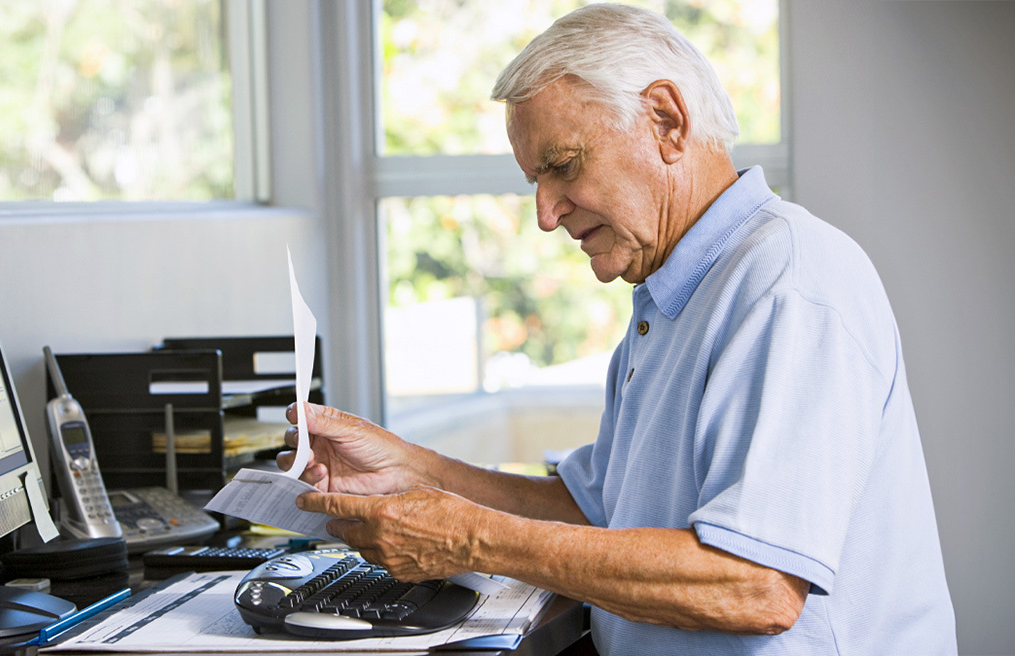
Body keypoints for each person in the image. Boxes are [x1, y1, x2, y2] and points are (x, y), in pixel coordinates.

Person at [282, 4, 957, 654]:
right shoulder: (669, 298)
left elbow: (756, 586)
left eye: (563, 167)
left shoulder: (790, 283)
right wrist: (412, 470)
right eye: (535, 182)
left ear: (666, 120)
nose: (546, 215)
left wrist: (472, 539)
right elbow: (596, 514)